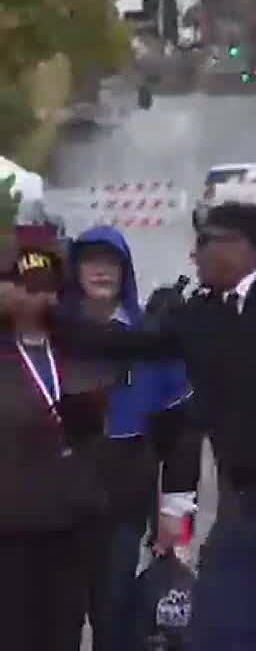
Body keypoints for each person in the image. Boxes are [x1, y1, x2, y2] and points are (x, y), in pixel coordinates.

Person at [0, 202, 256, 651]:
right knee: (222, 630)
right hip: (242, 502)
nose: (194, 255)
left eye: (204, 243)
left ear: (238, 246)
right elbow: (135, 344)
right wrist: (47, 317)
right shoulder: (200, 315)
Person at [67, 225, 198, 651]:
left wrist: (177, 518)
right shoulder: (53, 335)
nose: (101, 271)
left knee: (116, 617)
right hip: (56, 504)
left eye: (111, 262)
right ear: (74, 269)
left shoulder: (149, 337)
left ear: (125, 271)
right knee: (54, 621)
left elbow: (181, 433)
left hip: (123, 498)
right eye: (91, 261)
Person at [0, 238, 117, 650]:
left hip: (69, 524)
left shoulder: (76, 350)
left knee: (63, 632)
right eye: (28, 286)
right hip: (10, 530)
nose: (40, 297)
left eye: (49, 287)